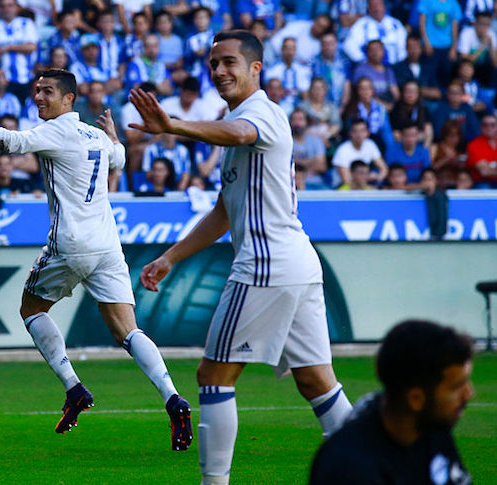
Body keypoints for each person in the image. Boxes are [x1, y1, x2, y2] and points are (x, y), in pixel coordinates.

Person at [0, 68, 194, 451]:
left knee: (31, 310)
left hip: (70, 243)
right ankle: (173, 399)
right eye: (36, 91)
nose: (38, 97)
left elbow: (10, 143)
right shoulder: (95, 134)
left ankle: (74, 388)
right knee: (128, 332)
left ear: (69, 99)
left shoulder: (58, 130)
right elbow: (117, 158)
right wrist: (113, 135)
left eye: (48, 91)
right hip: (107, 246)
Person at [128, 30, 353, 485]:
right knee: (316, 383)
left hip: (266, 266)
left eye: (229, 62)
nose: (219, 71)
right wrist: (171, 257)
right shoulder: (239, 119)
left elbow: (239, 133)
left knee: (213, 375)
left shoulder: (260, 115)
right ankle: (376, 468)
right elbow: (222, 212)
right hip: (294, 264)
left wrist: (172, 125)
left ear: (256, 68)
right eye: (213, 64)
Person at [310, 320, 474, 485]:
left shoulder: (432, 429)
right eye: (456, 387)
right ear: (415, 399)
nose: (469, 394)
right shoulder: (348, 468)